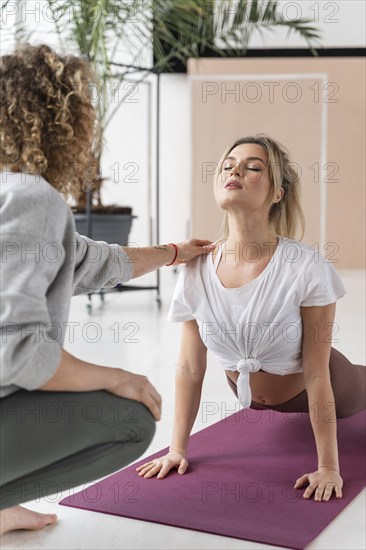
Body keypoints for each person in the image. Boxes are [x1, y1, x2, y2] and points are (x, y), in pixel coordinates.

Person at [0, 43, 216, 535]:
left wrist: (176, 253)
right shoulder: (31, 197)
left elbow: (93, 263)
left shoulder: (11, 195)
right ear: (61, 117)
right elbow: (14, 351)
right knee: (130, 418)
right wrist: (116, 376)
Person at [136, 134, 366, 504]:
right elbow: (190, 368)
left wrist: (328, 467)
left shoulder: (306, 266)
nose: (236, 170)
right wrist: (177, 448)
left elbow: (317, 372)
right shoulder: (195, 268)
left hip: (330, 385)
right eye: (228, 165)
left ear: (277, 193)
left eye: (253, 167)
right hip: (250, 393)